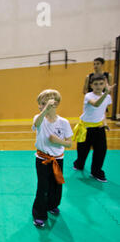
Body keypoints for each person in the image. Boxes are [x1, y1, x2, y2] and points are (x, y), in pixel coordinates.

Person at [31, 90, 73, 227]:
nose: (40, 107)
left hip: (58, 160)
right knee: (43, 186)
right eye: (40, 104)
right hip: (42, 159)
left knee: (56, 185)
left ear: (56, 104)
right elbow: (37, 124)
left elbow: (69, 143)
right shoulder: (39, 118)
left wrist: (58, 141)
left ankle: (52, 205)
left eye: (44, 104)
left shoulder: (64, 122)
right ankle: (39, 214)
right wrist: (44, 111)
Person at [73, 74, 117, 182]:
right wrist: (106, 92)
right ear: (91, 85)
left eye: (101, 84)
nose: (98, 86)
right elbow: (96, 104)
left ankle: (96, 172)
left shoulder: (107, 97)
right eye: (96, 84)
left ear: (105, 84)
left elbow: (103, 111)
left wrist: (105, 122)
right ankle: (79, 163)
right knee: (83, 151)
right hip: (86, 128)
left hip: (99, 127)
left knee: (101, 151)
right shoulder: (88, 96)